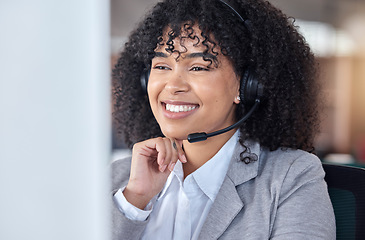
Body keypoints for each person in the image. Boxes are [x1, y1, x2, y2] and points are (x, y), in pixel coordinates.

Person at [111, 0, 336, 239]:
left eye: (198, 67)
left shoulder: (290, 178)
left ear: (247, 85)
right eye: (162, 66)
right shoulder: (120, 179)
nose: (173, 86)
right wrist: (134, 200)